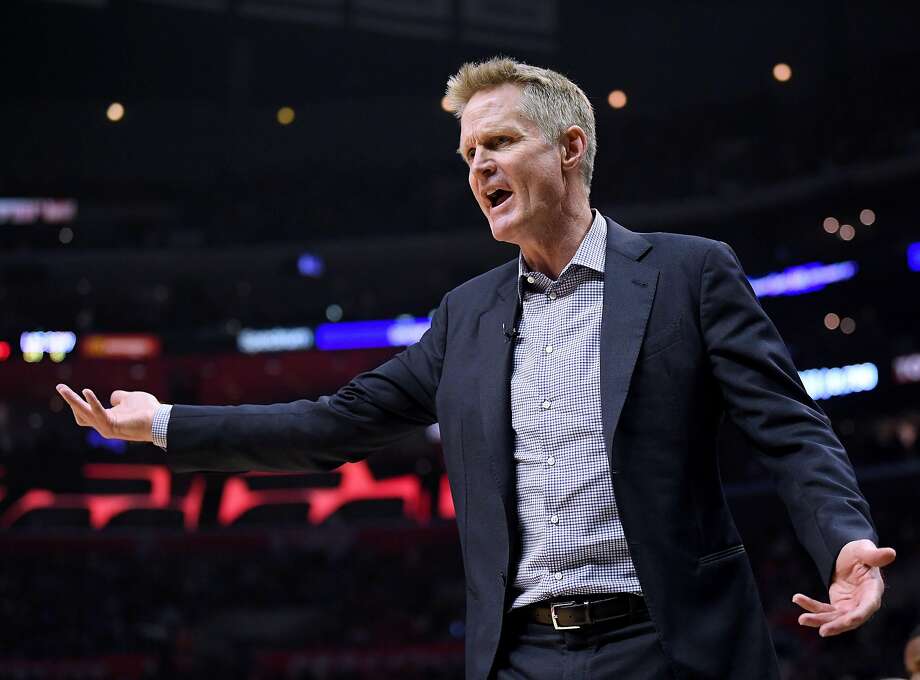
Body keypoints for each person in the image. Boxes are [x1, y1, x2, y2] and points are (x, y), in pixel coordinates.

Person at [56, 57, 896, 679]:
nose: (477, 167)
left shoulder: (689, 272)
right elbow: (333, 424)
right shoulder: (466, 316)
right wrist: (162, 423)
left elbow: (789, 430)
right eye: (467, 155)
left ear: (570, 148)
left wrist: (846, 541)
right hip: (520, 657)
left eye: (499, 142)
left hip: (674, 647)